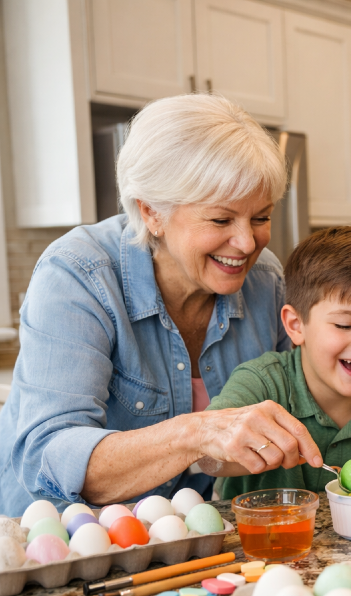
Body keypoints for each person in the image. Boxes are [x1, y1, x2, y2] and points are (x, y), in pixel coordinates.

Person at [0, 93, 323, 517]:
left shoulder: (265, 281)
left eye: (260, 217)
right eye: (221, 219)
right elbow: (49, 456)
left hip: (185, 534)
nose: (247, 243)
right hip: (54, 536)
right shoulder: (79, 274)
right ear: (152, 212)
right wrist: (198, 433)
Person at [211, 226, 351, 496]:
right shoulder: (260, 384)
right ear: (296, 325)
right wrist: (239, 444)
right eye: (345, 324)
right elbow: (206, 458)